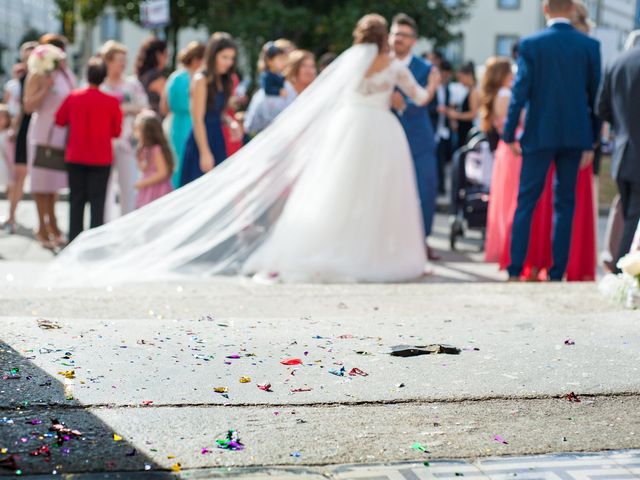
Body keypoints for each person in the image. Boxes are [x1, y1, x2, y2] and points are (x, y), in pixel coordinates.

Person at [44, 13, 439, 287]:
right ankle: (378, 255)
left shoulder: (351, 62)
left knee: (335, 193)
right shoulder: (392, 64)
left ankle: (333, 250)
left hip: (350, 128)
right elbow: (419, 97)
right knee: (379, 197)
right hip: (381, 129)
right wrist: (431, 83)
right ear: (385, 36)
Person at [503, 0, 601, 282]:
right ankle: (558, 272)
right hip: (575, 135)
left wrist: (509, 134)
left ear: (545, 9)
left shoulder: (531, 43)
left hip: (538, 132)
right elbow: (595, 97)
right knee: (565, 204)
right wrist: (592, 140)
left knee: (526, 202)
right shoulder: (589, 46)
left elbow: (519, 93)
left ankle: (514, 269)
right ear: (572, 10)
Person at [483, 57, 553, 278]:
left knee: (510, 199)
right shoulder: (504, 95)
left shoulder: (500, 94)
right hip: (514, 150)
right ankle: (512, 246)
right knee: (515, 199)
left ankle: (510, 247)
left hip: (508, 150)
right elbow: (508, 126)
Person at [389, 13, 441, 261]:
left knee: (426, 189)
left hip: (418, 138)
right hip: (384, 136)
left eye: (403, 35)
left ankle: (422, 240)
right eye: (395, 33)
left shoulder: (425, 68)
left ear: (413, 40)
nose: (397, 38)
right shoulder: (380, 62)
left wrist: (404, 104)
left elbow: (427, 103)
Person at [54, 57, 122, 242]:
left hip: (76, 155)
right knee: (97, 202)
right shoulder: (112, 101)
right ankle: (94, 242)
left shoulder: (74, 97)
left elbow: (59, 120)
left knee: (76, 200)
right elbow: (116, 132)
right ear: (104, 77)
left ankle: (74, 240)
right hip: (101, 157)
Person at [24, 34, 76, 249]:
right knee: (40, 183)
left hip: (60, 135)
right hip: (42, 134)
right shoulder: (38, 73)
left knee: (53, 183)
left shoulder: (66, 74)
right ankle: (43, 225)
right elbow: (28, 105)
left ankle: (52, 222)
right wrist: (45, 87)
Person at [597, 25, 640, 270]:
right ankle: (623, 273)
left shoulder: (616, 63)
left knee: (630, 214)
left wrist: (623, 127)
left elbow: (601, 108)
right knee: (633, 216)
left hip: (622, 155)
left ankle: (623, 270)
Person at [180, 32, 239, 186]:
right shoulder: (201, 79)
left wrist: (231, 123)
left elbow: (219, 112)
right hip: (202, 140)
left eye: (231, 58)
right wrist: (205, 152)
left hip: (217, 137)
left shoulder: (224, 79)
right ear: (213, 55)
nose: (229, 62)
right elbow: (197, 118)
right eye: (224, 57)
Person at [100, 40, 150, 220]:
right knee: (103, 188)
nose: (123, 63)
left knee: (129, 186)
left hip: (128, 141)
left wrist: (126, 109)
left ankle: (126, 225)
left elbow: (144, 108)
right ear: (108, 60)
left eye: (124, 59)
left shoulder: (132, 84)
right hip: (104, 142)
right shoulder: (100, 85)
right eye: (119, 59)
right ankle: (103, 226)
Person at [3, 41, 36, 234]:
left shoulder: (41, 77)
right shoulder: (19, 81)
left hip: (30, 128)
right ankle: (11, 215)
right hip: (18, 130)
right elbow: (16, 106)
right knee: (16, 174)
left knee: (23, 175)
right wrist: (12, 128)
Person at [161, 41, 205, 188]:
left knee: (176, 164)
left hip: (174, 124)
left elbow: (164, 107)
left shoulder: (174, 77)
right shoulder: (197, 79)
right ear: (196, 60)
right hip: (192, 123)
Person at [133, 112, 174, 208]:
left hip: (157, 189)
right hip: (147, 189)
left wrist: (143, 183)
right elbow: (144, 167)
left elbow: (162, 172)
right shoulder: (145, 149)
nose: (137, 134)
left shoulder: (156, 150)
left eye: (139, 131)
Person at [430, 60, 453, 195]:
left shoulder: (447, 88)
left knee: (441, 160)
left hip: (443, 130)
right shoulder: (432, 88)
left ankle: (441, 187)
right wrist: (437, 109)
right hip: (433, 128)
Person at [447, 61, 480, 150]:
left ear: (469, 75)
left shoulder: (474, 92)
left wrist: (456, 115)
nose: (460, 81)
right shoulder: (469, 90)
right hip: (464, 132)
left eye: (461, 77)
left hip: (468, 133)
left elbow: (473, 114)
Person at [136, 37, 168, 115]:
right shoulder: (155, 76)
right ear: (158, 55)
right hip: (155, 120)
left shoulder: (142, 74)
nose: (167, 58)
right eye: (166, 54)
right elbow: (169, 101)